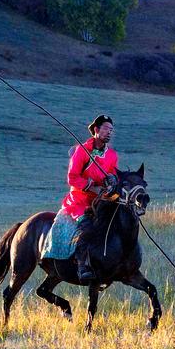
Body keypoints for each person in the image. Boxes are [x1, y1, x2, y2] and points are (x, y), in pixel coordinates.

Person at [50, 114, 119, 282]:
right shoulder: (82, 151)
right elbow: (72, 178)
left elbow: (114, 174)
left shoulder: (112, 155)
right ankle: (82, 265)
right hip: (79, 201)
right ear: (96, 130)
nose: (109, 133)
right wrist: (92, 186)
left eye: (111, 130)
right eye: (105, 129)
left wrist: (112, 180)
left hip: (100, 200)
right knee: (87, 227)